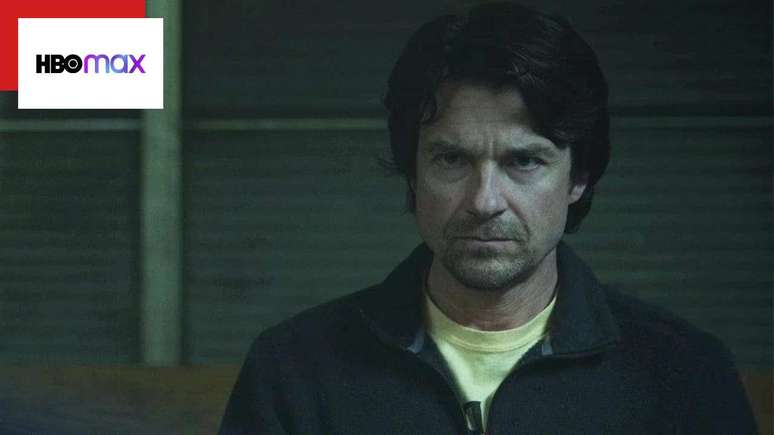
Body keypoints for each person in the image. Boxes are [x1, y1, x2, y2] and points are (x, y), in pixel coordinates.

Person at [219, 3, 758, 434]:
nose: (484, 200)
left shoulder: (684, 374)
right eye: (452, 159)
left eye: (524, 161)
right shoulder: (293, 370)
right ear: (413, 172)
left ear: (578, 178)